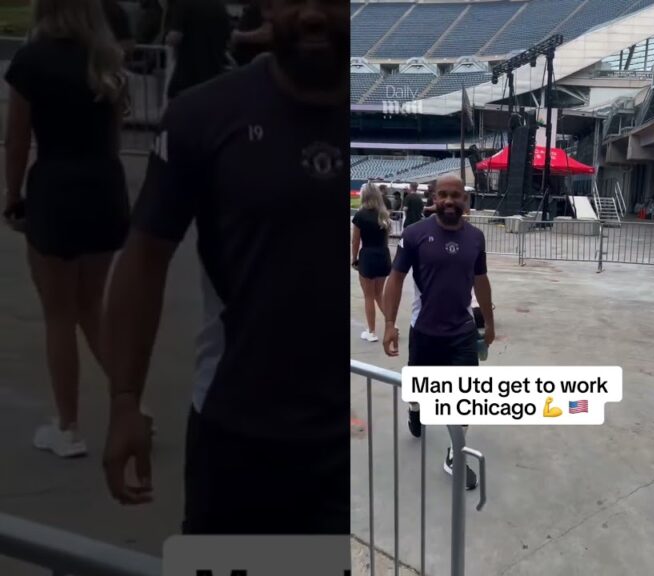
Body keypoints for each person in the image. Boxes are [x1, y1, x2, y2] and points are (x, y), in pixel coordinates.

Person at [101, 0, 346, 535]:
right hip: (238, 437)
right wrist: (124, 400)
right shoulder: (204, 115)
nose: (312, 14)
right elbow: (144, 258)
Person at [3, 0, 131, 458]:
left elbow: (17, 139)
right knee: (91, 306)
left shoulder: (30, 61)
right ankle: (132, 404)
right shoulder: (106, 59)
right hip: (106, 188)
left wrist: (12, 195)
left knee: (58, 313)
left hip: (56, 189)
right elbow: (114, 134)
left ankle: (68, 427)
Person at [382, 174, 495, 491]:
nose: (449, 201)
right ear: (433, 198)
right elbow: (396, 277)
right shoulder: (415, 234)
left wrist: (489, 322)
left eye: (455, 195)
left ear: (465, 201)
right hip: (425, 331)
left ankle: (455, 455)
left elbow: (481, 281)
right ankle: (415, 409)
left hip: (462, 333)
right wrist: (390, 323)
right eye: (443, 194)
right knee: (418, 388)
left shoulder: (476, 238)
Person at [164, 0, 231, 100]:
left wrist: (166, 38)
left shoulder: (183, 4)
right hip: (214, 74)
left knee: (177, 102)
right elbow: (228, 38)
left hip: (188, 74)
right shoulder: (220, 6)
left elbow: (175, 36)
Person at [351, 183, 392, 343]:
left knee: (368, 296)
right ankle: (391, 324)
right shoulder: (384, 215)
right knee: (378, 294)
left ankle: (372, 331)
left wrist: (354, 258)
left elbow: (355, 241)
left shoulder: (360, 215)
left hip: (368, 256)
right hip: (383, 256)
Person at [230, 0, 272, 67]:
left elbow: (266, 34)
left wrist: (237, 36)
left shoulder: (268, 4)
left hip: (253, 62)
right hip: (244, 61)